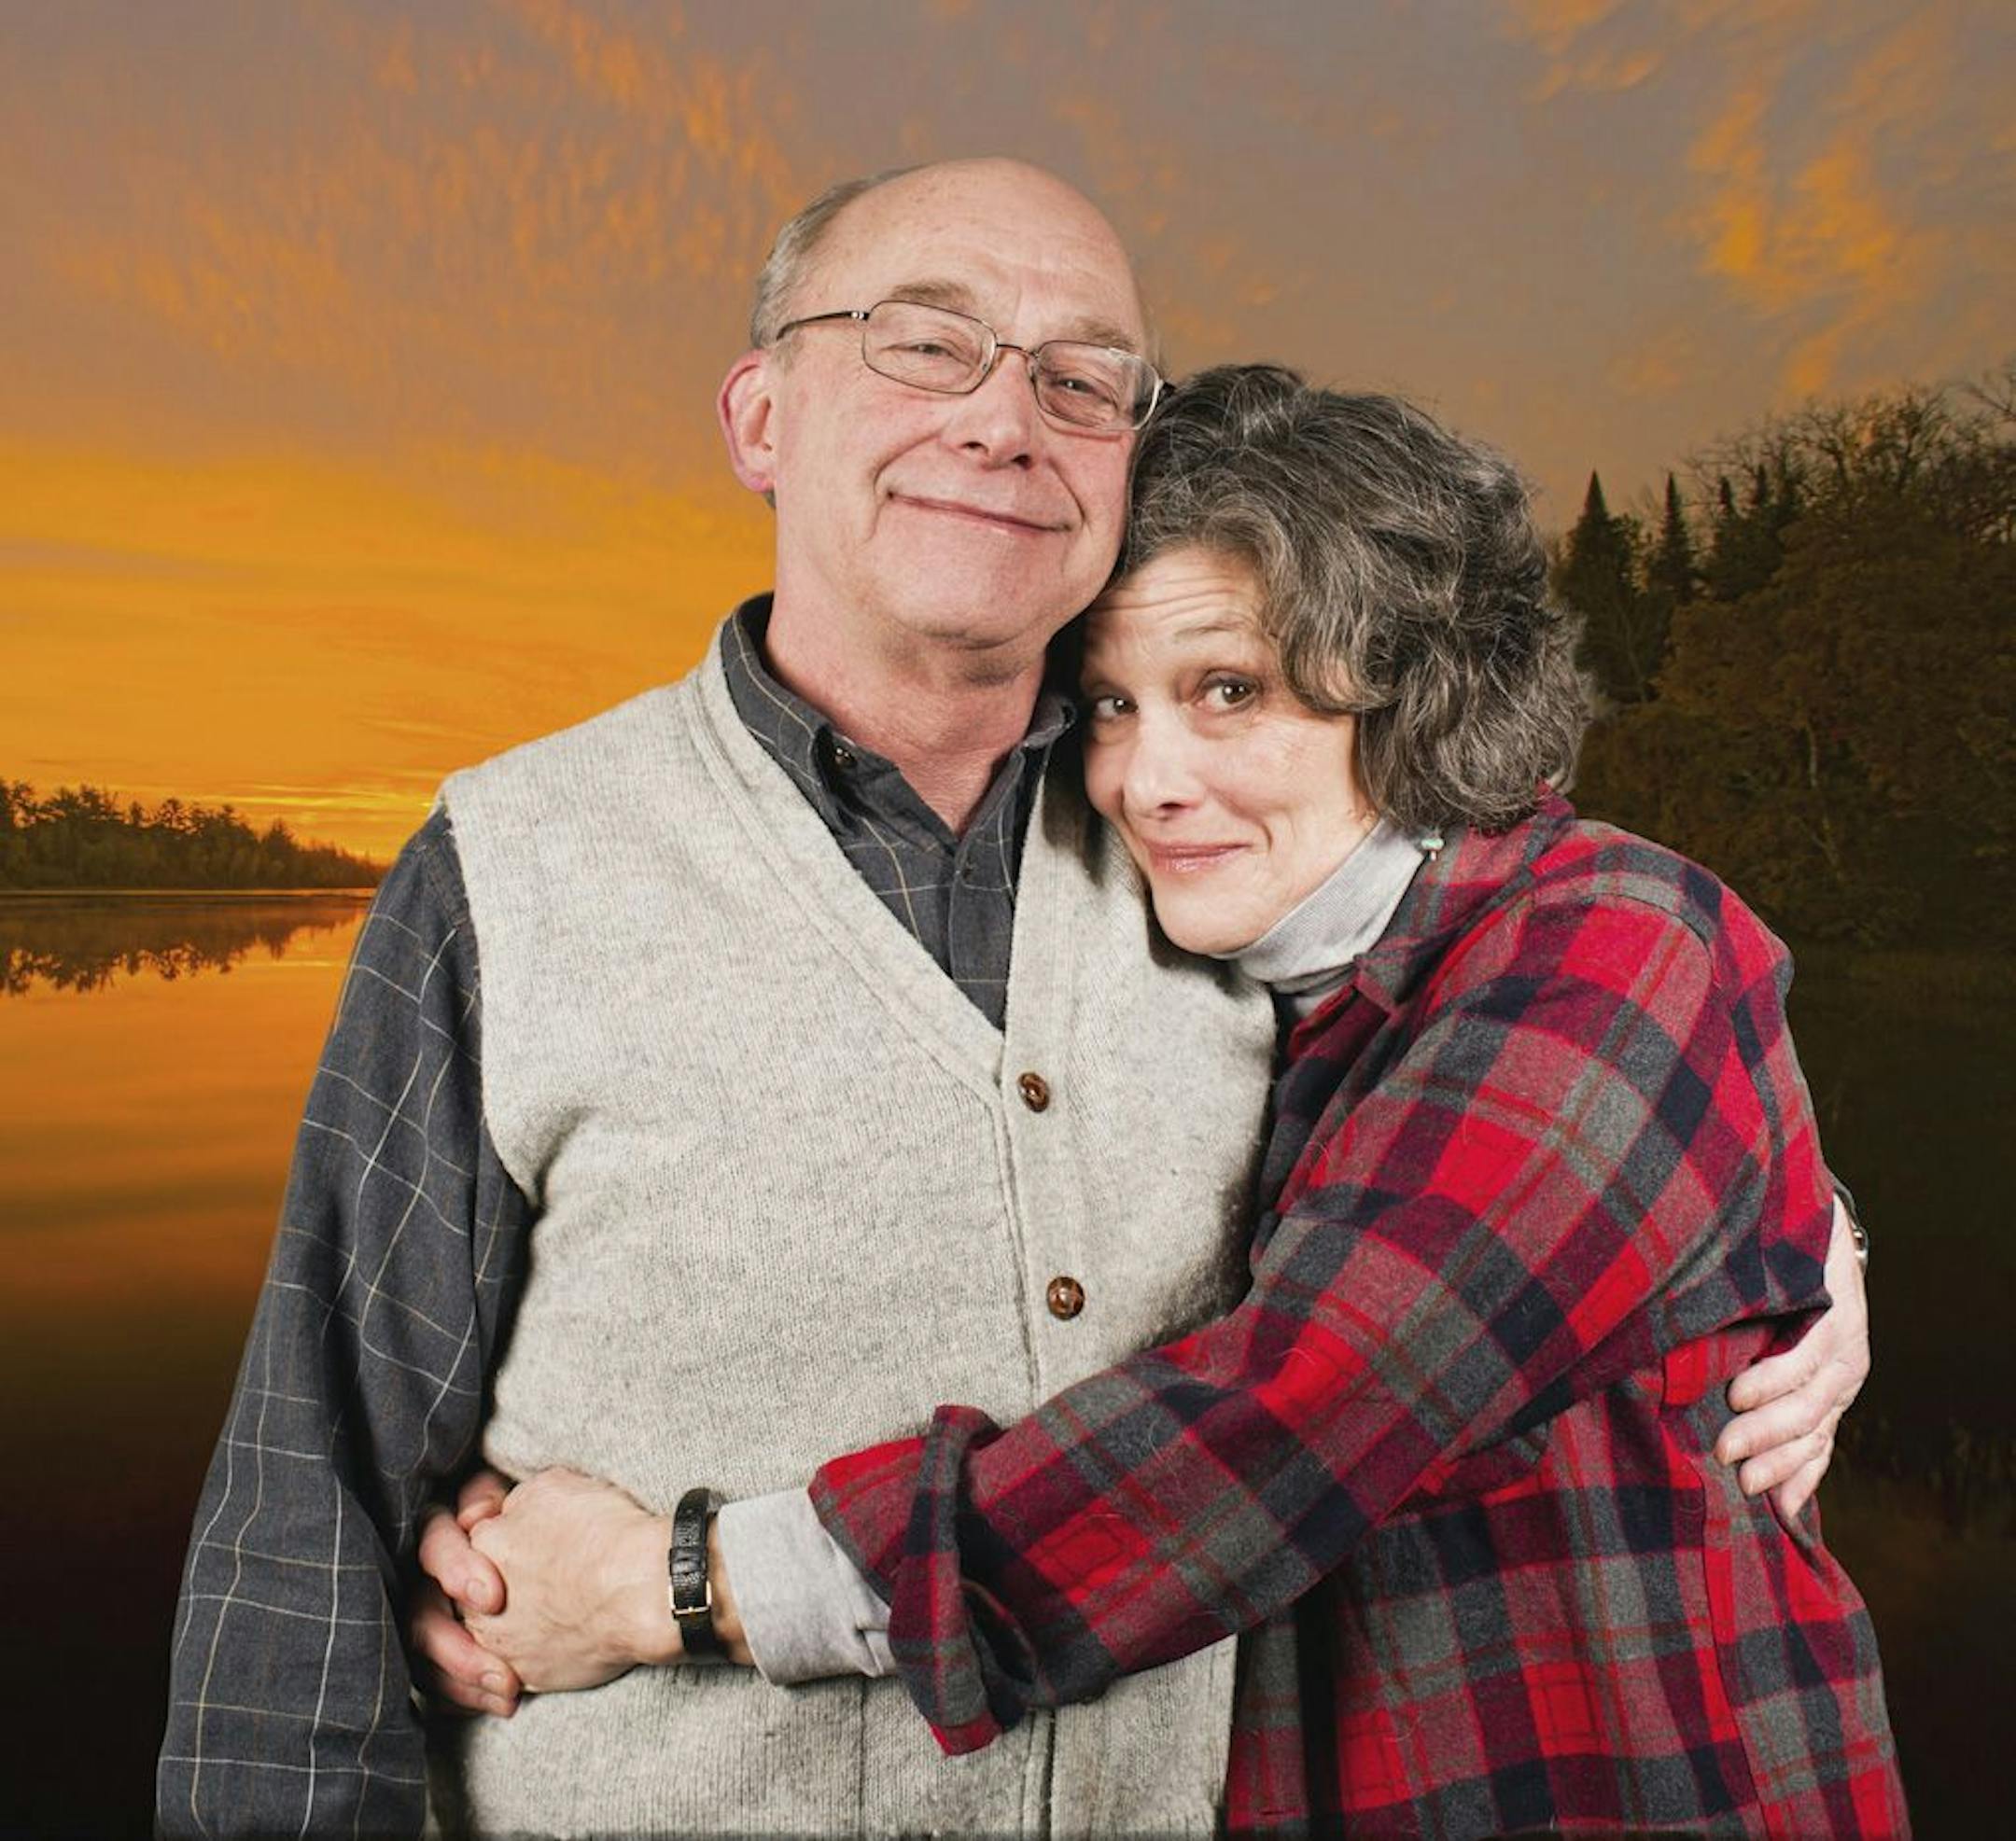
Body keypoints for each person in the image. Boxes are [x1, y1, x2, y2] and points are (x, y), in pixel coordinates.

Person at [159, 156, 1869, 1840]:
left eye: (1078, 379)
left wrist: (1798, 1233)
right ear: (759, 416)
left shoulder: (1317, 893)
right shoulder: (526, 861)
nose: (1002, 420)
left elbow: (1334, 1363)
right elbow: (310, 1494)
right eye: (922, 339)